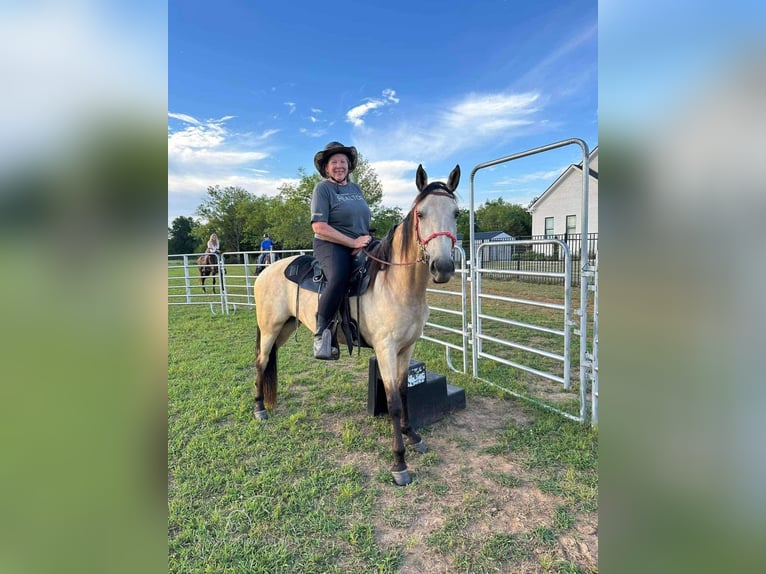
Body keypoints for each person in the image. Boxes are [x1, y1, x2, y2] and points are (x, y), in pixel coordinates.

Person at [310, 141, 372, 360]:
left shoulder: (356, 189)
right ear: (326, 167)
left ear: (349, 166)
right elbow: (319, 227)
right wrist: (351, 243)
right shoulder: (322, 189)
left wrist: (364, 240)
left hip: (360, 241)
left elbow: (360, 220)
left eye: (343, 161)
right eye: (334, 162)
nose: (339, 165)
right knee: (338, 277)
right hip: (330, 243)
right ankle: (321, 332)